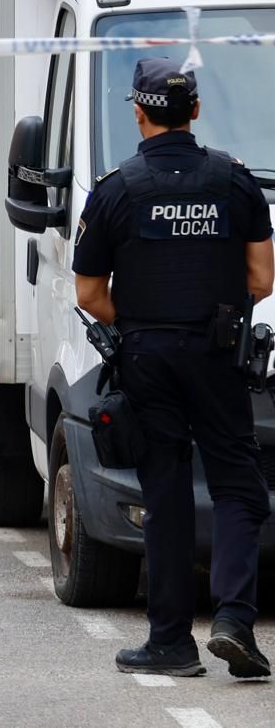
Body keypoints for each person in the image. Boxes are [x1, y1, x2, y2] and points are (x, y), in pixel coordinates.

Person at [74, 58, 273, 679]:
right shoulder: (235, 182)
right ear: (195, 111)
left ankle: (170, 643)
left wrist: (140, 323)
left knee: (165, 490)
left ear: (138, 113)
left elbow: (88, 293)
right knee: (239, 485)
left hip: (147, 357)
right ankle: (236, 620)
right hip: (216, 354)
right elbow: (262, 279)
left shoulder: (115, 188)